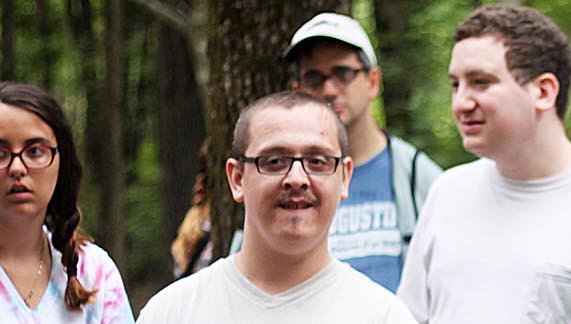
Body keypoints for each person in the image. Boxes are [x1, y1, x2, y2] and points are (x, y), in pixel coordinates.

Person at [395, 4, 571, 323]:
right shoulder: (447, 192)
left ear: (543, 91)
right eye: (456, 84)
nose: (460, 103)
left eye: (481, 82)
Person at [138, 92, 413, 323]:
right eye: (273, 161)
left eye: (317, 161)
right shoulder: (172, 314)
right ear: (237, 179)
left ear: (344, 178)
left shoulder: (383, 317)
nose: (296, 179)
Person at [221, 12, 443, 292]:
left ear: (373, 81)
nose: (329, 89)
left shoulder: (417, 176)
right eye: (314, 78)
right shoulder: (274, 178)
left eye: (342, 74)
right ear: (298, 90)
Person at [0, 82, 133, 323]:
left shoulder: (93, 272)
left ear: (61, 161)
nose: (17, 168)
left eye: (35, 151)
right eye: (0, 154)